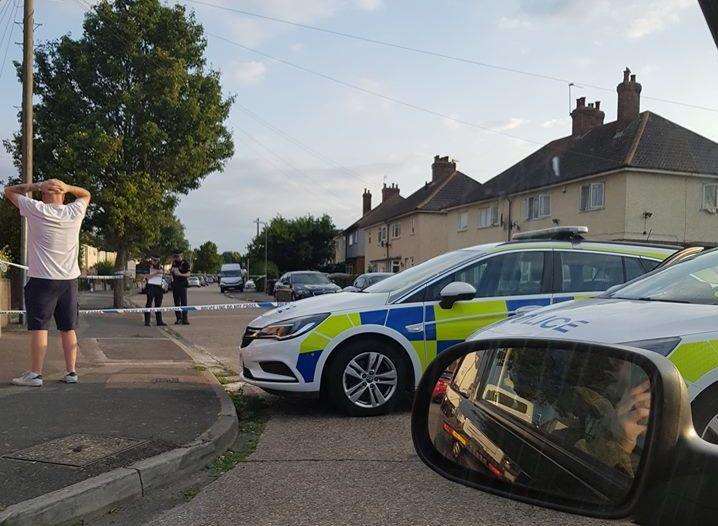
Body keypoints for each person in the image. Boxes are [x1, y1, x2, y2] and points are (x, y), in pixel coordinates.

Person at [3, 178, 91, 387]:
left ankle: (35, 374)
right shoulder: (74, 212)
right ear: (63, 195)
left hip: (42, 279)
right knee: (68, 328)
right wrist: (69, 187)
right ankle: (71, 371)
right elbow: (86, 194)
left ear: (43, 195)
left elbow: (8, 191)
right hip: (68, 280)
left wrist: (34, 186)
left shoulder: (36, 208)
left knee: (39, 327)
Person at [144, 257, 167, 327]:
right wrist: (156, 273)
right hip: (151, 286)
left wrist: (162, 271)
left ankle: (159, 321)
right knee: (149, 303)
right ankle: (147, 321)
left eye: (157, 261)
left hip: (158, 286)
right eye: (154, 260)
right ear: (152, 260)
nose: (156, 262)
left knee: (158, 304)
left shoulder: (160, 267)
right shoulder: (148, 267)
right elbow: (146, 277)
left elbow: (163, 274)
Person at [171, 251, 191, 325]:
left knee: (184, 302)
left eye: (177, 256)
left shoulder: (185, 263)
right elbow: (172, 271)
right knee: (176, 302)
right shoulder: (174, 263)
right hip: (175, 284)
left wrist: (180, 274)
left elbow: (188, 274)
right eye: (175, 256)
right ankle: (178, 318)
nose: (176, 258)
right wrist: (172, 271)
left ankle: (185, 319)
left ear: (181, 255)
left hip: (182, 284)